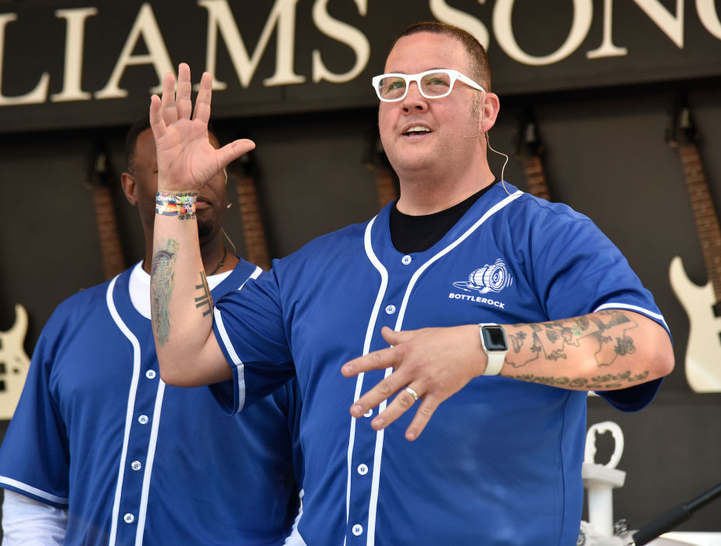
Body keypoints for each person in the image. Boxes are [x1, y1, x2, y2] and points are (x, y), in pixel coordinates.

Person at [149, 22, 674, 546]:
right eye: (394, 86)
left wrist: (484, 346)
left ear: (485, 112)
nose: (412, 100)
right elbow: (183, 354)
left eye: (438, 82)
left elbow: (648, 348)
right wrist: (174, 198)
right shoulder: (318, 265)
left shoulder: (542, 234)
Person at [0, 118, 302, 545]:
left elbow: (325, 497)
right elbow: (36, 503)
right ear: (130, 187)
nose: (193, 178)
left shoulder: (282, 316)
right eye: (170, 167)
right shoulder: (73, 321)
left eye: (208, 165)